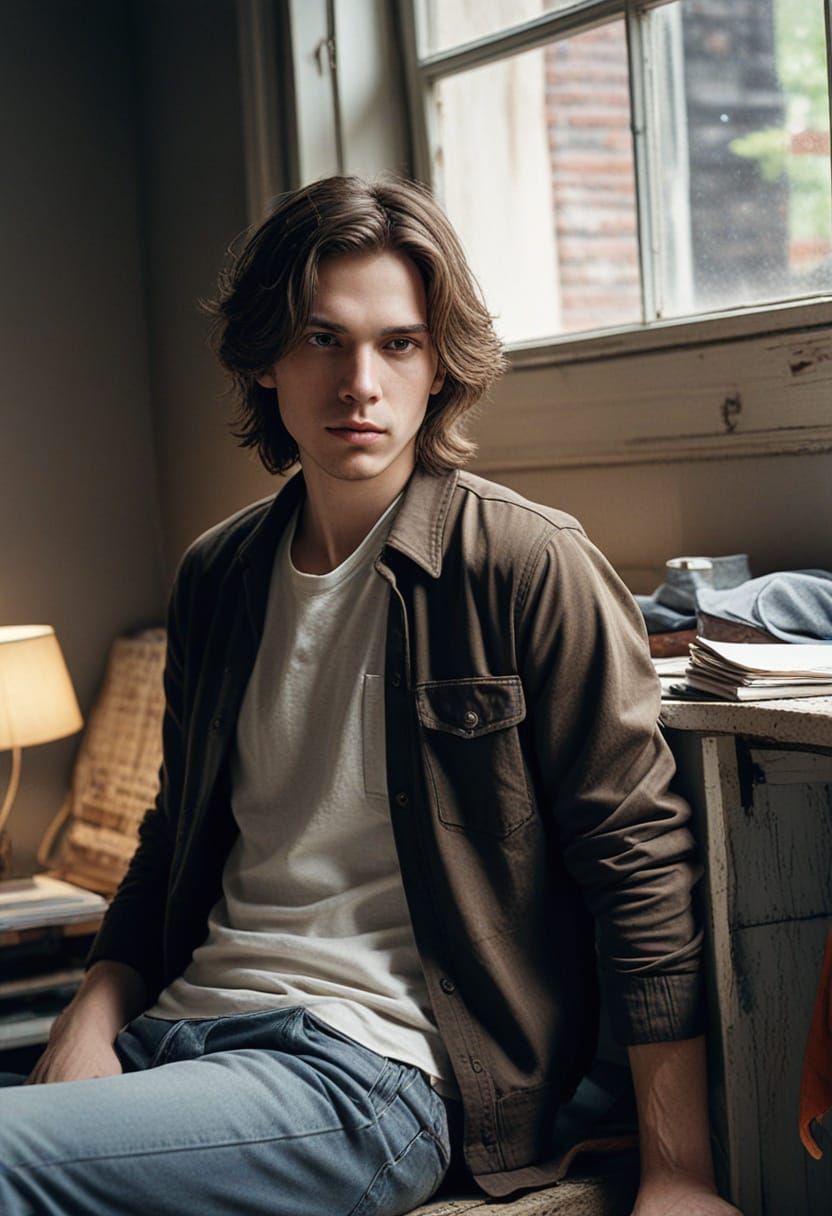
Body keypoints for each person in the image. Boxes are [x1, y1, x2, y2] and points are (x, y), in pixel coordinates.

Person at [0, 175, 740, 1216]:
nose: (360, 383)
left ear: (439, 366)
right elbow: (172, 837)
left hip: (370, 1073)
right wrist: (93, 1010)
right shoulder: (218, 575)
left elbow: (636, 859)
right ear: (266, 355)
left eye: (398, 343)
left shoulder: (525, 563)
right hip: (177, 1035)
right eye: (322, 339)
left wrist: (678, 1173)